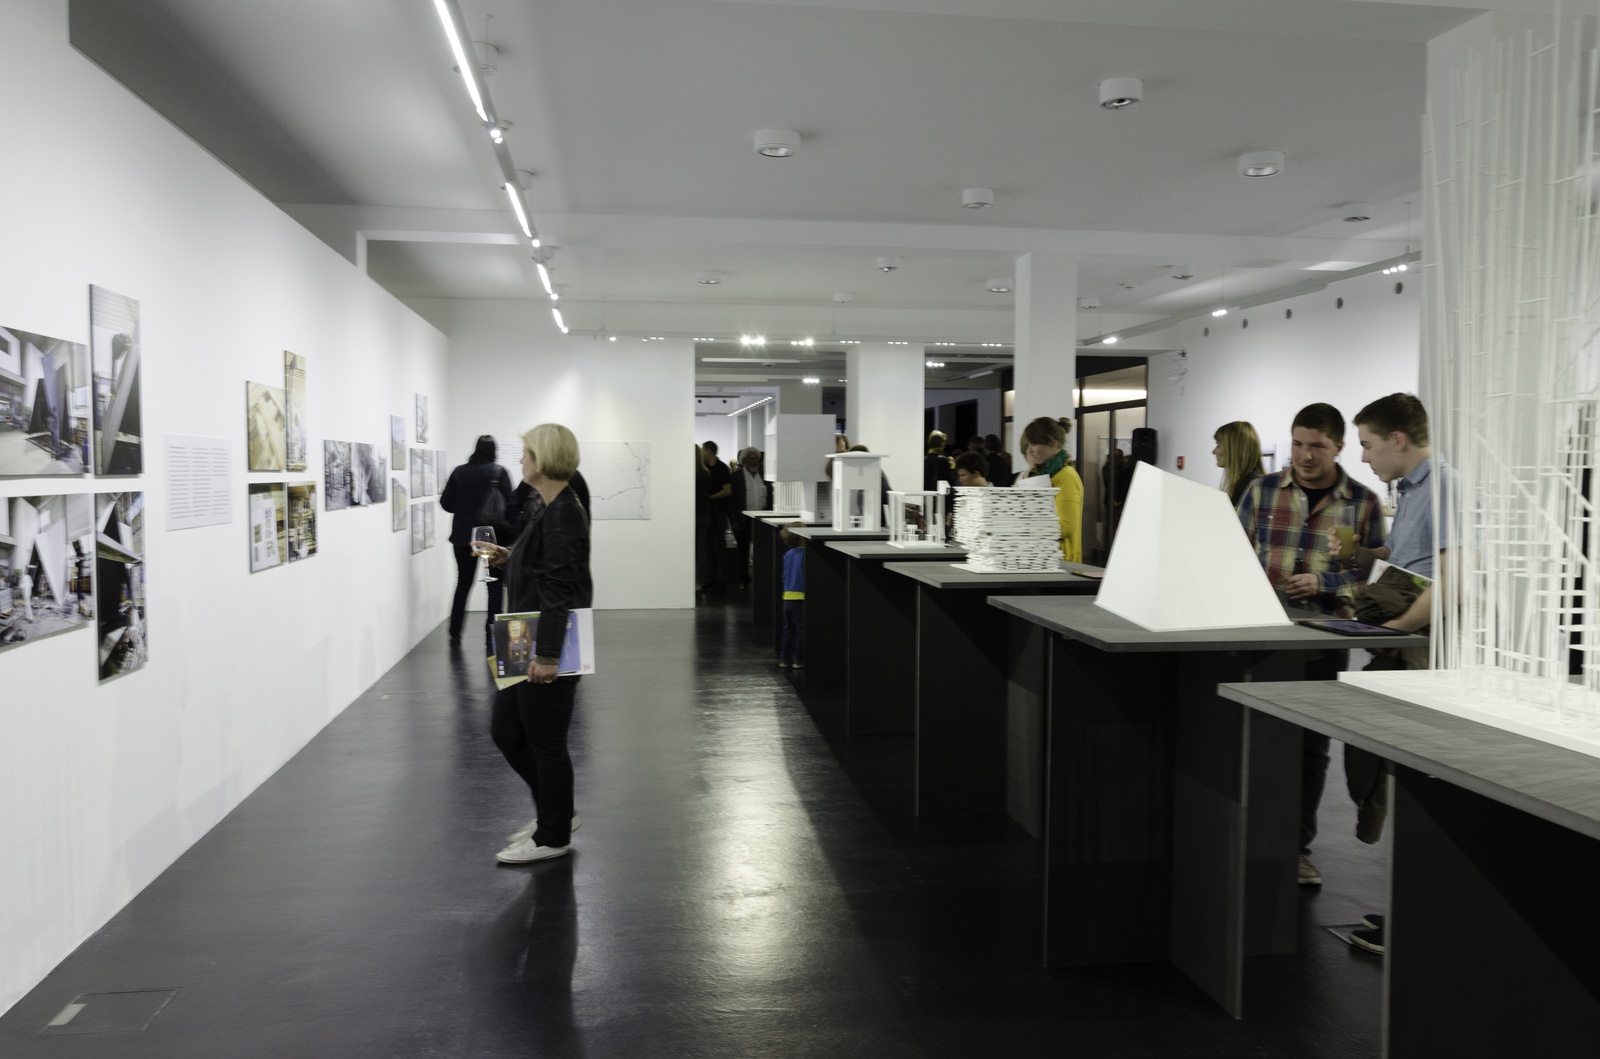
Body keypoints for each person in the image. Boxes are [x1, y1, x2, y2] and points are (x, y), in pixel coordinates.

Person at [1236, 402, 1385, 888]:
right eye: (1298, 444)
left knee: (1310, 750)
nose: (1304, 455)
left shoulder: (1363, 502)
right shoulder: (1260, 491)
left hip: (1323, 643)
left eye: (1317, 446)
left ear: (1338, 446)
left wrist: (1324, 583)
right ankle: (1243, 839)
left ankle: (1296, 849)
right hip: (1258, 637)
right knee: (1249, 741)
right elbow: (1231, 554)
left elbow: (1375, 581)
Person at [1332, 394, 1452, 955]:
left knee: (1416, 786)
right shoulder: (1413, 490)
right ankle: (1408, 911)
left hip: (1423, 651)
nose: (1364, 457)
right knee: (1390, 778)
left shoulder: (1445, 487)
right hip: (1406, 645)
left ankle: (1418, 924)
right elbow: (1412, 560)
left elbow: (1454, 577)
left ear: (1397, 440)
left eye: (1368, 445)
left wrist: (1397, 627)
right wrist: (1363, 557)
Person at [479, 424, 592, 864]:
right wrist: (508, 557)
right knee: (507, 732)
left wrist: (546, 655)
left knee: (545, 741)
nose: (521, 460)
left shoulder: (563, 511)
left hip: (542, 640)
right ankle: (555, 812)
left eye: (526, 453)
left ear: (543, 460)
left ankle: (553, 835)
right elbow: (543, 569)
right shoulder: (545, 505)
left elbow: (560, 588)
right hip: (523, 633)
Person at [439, 436, 517, 648]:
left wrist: (465, 507)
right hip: (493, 538)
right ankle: (492, 634)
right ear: (494, 451)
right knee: (494, 586)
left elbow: (446, 503)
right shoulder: (499, 472)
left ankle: (455, 633)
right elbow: (511, 505)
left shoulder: (459, 472)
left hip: (463, 538)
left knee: (463, 583)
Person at [1019, 417, 1084, 563]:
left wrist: (1021, 529)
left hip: (1061, 562)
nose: (1030, 450)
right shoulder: (1040, 474)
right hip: (1039, 558)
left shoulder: (1067, 476)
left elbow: (1066, 527)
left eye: (1034, 444)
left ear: (1052, 444)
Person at [729, 447, 769, 590]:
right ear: (744, 460)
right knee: (743, 552)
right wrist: (733, 521)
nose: (754, 462)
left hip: (762, 520)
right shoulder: (736, 477)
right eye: (751, 459)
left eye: (756, 459)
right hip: (743, 520)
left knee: (762, 551)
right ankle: (744, 580)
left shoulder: (765, 476)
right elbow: (731, 501)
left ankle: (762, 579)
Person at [1213, 421, 1266, 508]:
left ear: (1233, 449)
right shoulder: (1246, 482)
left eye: (1218, 446)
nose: (1214, 452)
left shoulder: (1250, 484)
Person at [702, 441, 732, 591]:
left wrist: (709, 498)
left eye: (703, 450)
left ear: (710, 452)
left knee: (718, 546)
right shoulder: (704, 468)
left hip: (719, 511)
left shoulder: (722, 468)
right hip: (708, 511)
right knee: (709, 546)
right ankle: (710, 578)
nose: (701, 453)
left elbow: (727, 491)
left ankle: (720, 580)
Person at [778, 523, 805, 669]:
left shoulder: (787, 555)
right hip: (800, 597)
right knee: (801, 629)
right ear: (802, 538)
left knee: (788, 628)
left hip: (787, 597)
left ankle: (784, 658)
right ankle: (798, 659)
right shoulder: (805, 555)